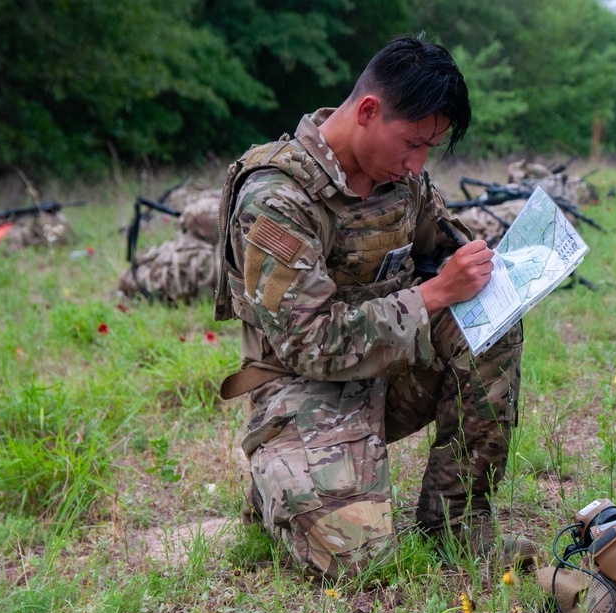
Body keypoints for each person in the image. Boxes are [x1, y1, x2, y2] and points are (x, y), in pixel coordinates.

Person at [214, 36, 523, 582]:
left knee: (490, 325)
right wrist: (434, 294)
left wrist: (477, 265)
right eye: (411, 143)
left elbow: (440, 246)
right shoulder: (277, 198)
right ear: (368, 111)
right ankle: (279, 477)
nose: (417, 164)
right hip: (302, 386)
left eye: (430, 148)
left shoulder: (402, 182)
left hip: (387, 371)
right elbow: (309, 343)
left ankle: (456, 519)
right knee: (362, 564)